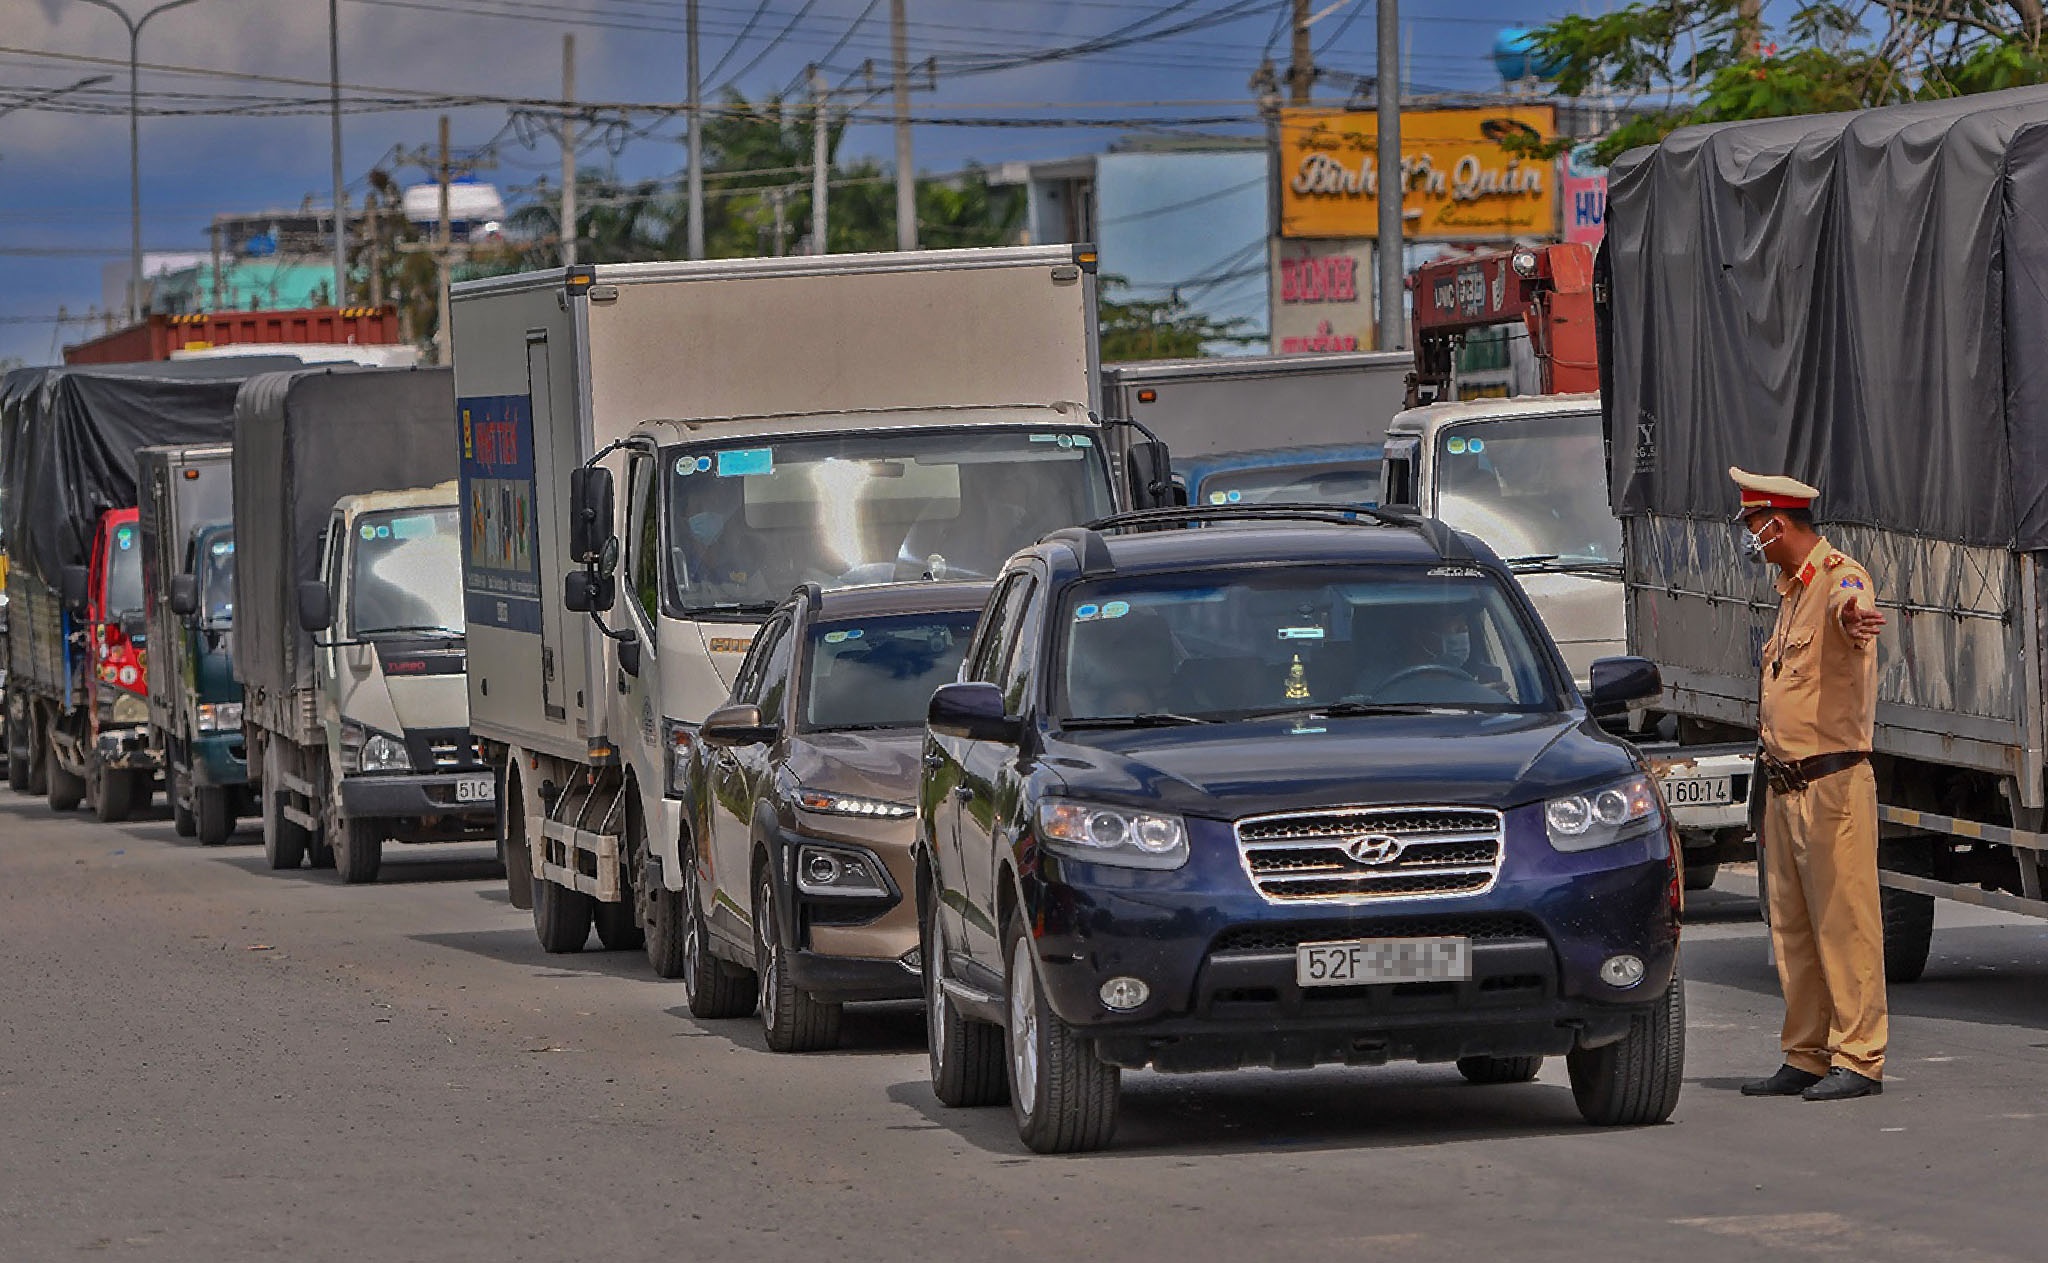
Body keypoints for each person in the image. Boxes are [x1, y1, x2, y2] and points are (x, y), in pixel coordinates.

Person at [1731, 468, 1891, 1103]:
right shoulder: (1788, 590)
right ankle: (1807, 1053)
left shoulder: (1838, 579)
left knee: (1844, 922)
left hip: (1832, 786)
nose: (1751, 538)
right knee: (1792, 926)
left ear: (1780, 522)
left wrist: (1854, 618)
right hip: (1784, 784)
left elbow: (1850, 609)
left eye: (1754, 526)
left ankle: (1859, 1057)